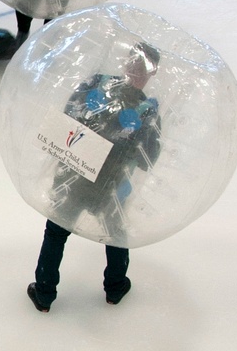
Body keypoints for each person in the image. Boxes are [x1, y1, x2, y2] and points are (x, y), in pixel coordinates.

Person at [27, 41, 162, 312]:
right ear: (150, 73)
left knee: (56, 232)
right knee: (114, 234)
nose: (136, 72)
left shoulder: (98, 84)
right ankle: (114, 287)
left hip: (75, 175)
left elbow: (68, 117)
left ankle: (44, 292)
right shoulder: (147, 110)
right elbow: (150, 155)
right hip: (110, 185)